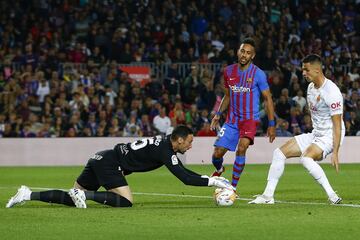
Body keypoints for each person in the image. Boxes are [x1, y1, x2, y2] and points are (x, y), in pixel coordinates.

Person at [6, 125, 232, 208]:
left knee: (72, 199)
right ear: (179, 139)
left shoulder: (163, 144)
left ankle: (27, 194)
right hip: (110, 163)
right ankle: (86, 195)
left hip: (99, 157)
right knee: (125, 202)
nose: (191, 146)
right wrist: (213, 180)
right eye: (190, 142)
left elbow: (184, 172)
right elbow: (184, 178)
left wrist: (207, 178)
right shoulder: (166, 150)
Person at [249, 54, 345, 205]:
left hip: (330, 135)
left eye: (306, 70)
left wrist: (336, 152)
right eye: (302, 70)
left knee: (306, 158)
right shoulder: (311, 88)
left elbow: (338, 125)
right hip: (317, 133)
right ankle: (267, 196)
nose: (303, 73)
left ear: (317, 70)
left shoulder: (332, 92)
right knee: (279, 153)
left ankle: (332, 195)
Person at [210, 37, 276, 192]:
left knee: (242, 148)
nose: (244, 55)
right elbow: (227, 95)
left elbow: (268, 98)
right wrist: (218, 114)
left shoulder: (258, 74)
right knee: (217, 154)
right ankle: (219, 170)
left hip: (249, 119)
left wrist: (272, 124)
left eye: (248, 53)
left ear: (252, 56)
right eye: (242, 51)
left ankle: (232, 188)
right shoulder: (228, 71)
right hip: (232, 120)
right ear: (238, 52)